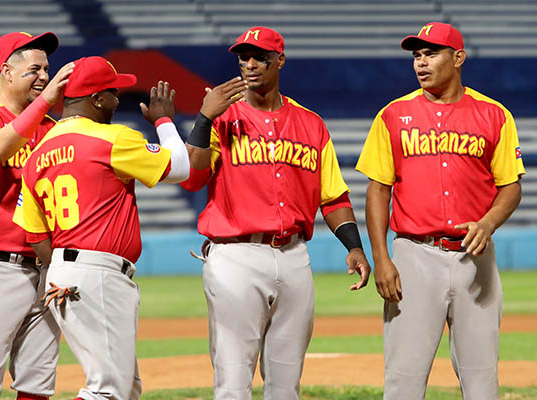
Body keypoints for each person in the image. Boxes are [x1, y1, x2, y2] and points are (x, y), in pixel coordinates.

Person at [181, 26, 371, 399]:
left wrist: (354, 246)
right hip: (236, 255)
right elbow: (192, 177)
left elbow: (332, 197)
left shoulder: (310, 123)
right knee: (234, 378)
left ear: (279, 60)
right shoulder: (223, 117)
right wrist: (204, 119)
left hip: (295, 256)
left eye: (260, 58)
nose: (250, 65)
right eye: (243, 58)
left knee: (286, 382)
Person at [356, 22, 525, 400]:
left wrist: (489, 222)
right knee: (403, 379)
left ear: (458, 58)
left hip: (474, 256)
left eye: (431, 53)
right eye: (417, 55)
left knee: (482, 380)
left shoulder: (495, 115)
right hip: (414, 256)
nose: (421, 62)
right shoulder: (392, 115)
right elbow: (377, 189)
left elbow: (510, 186)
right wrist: (381, 258)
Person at [12, 56, 189, 400]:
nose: (117, 99)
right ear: (94, 100)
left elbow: (35, 235)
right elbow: (180, 167)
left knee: (124, 387)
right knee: (107, 390)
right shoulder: (111, 138)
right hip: (98, 273)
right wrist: (164, 120)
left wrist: (64, 271)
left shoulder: (36, 154)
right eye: (111, 92)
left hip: (62, 271)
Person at [0, 31, 74, 400]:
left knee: (37, 382)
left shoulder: (54, 130)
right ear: (7, 71)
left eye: (47, 69)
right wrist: (45, 105)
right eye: (35, 69)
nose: (44, 77)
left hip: (46, 268)